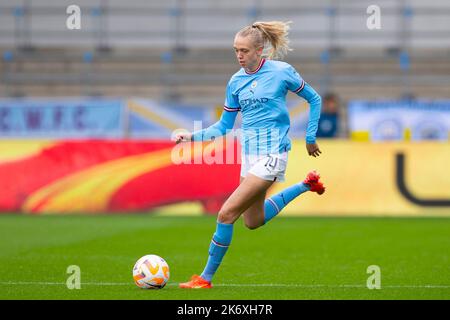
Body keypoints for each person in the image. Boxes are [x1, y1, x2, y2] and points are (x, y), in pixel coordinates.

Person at [174, 21, 325, 289]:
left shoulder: (281, 72)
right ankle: (305, 185)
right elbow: (223, 126)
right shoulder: (235, 82)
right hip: (250, 155)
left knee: (225, 214)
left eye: (244, 50)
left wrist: (310, 137)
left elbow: (314, 98)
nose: (239, 56)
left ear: (259, 51)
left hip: (273, 153)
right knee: (252, 221)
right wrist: (191, 136)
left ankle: (205, 278)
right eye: (235, 50)